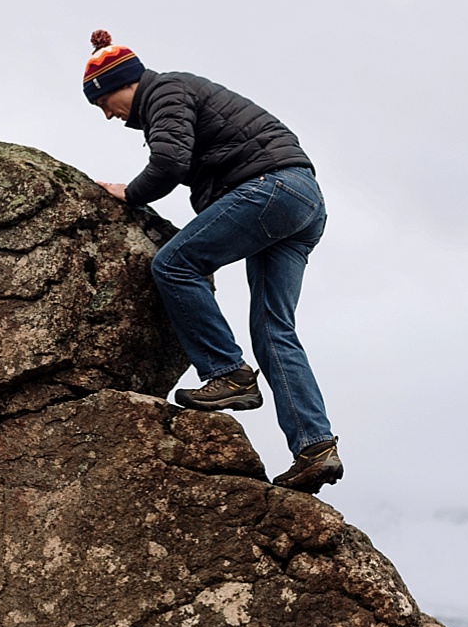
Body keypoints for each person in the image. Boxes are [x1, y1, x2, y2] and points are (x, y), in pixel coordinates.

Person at [81, 30, 343, 493]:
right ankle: (315, 448)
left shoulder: (165, 91)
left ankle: (227, 372)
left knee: (172, 264)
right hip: (301, 200)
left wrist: (131, 192)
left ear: (123, 83)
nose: (106, 114)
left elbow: (169, 162)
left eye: (103, 101)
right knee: (272, 329)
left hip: (271, 189)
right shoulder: (176, 93)